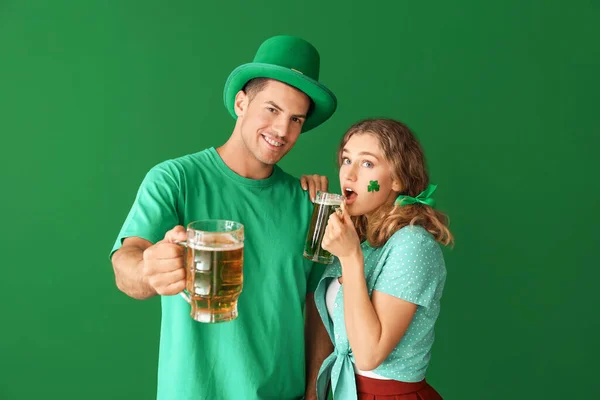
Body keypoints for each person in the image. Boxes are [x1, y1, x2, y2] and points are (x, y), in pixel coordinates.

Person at [109, 35, 337, 400]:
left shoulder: (308, 203)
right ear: (241, 102)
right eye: (272, 110)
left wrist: (314, 393)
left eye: (296, 119)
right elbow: (127, 263)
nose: (282, 130)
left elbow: (318, 305)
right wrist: (148, 270)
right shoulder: (175, 179)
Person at [312, 118, 453, 399]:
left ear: (398, 179)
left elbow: (368, 355)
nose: (349, 175)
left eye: (367, 164)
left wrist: (351, 258)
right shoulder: (360, 239)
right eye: (346, 159)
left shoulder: (412, 243)